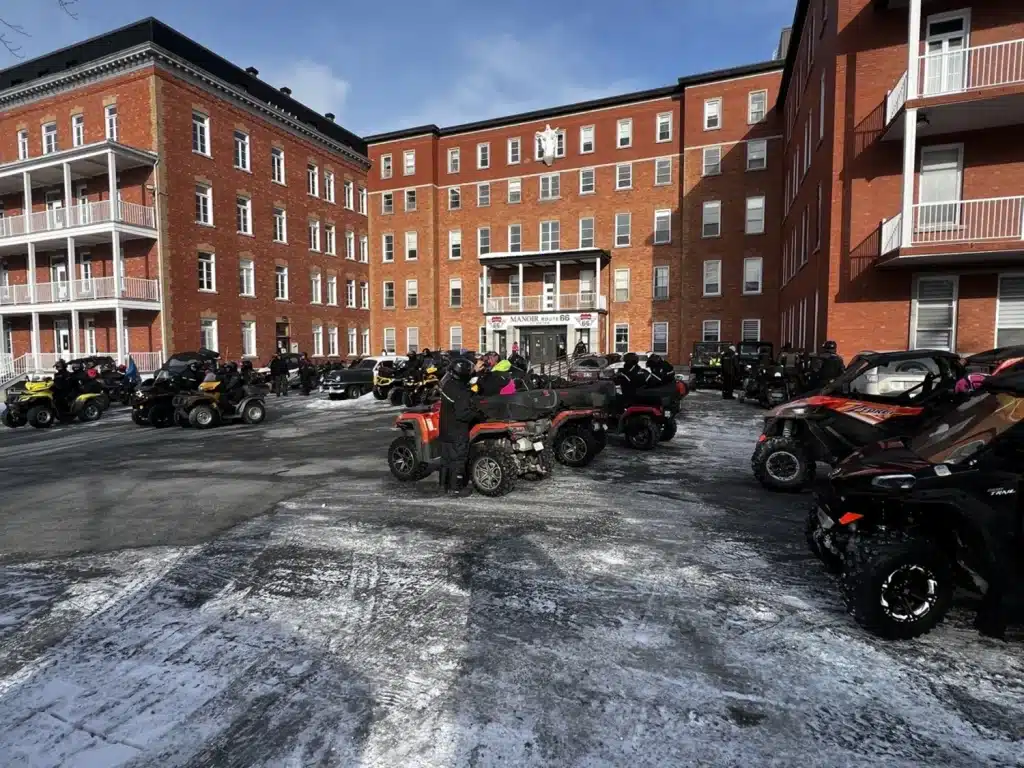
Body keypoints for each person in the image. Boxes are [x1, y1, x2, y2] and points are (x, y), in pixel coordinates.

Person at [438, 357, 482, 497]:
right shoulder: (461, 392)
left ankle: (442, 486)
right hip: (457, 430)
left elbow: (463, 387)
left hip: (445, 428)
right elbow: (463, 414)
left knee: (445, 459)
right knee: (458, 459)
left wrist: (475, 373)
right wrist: (477, 414)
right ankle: (455, 488)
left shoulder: (448, 385)